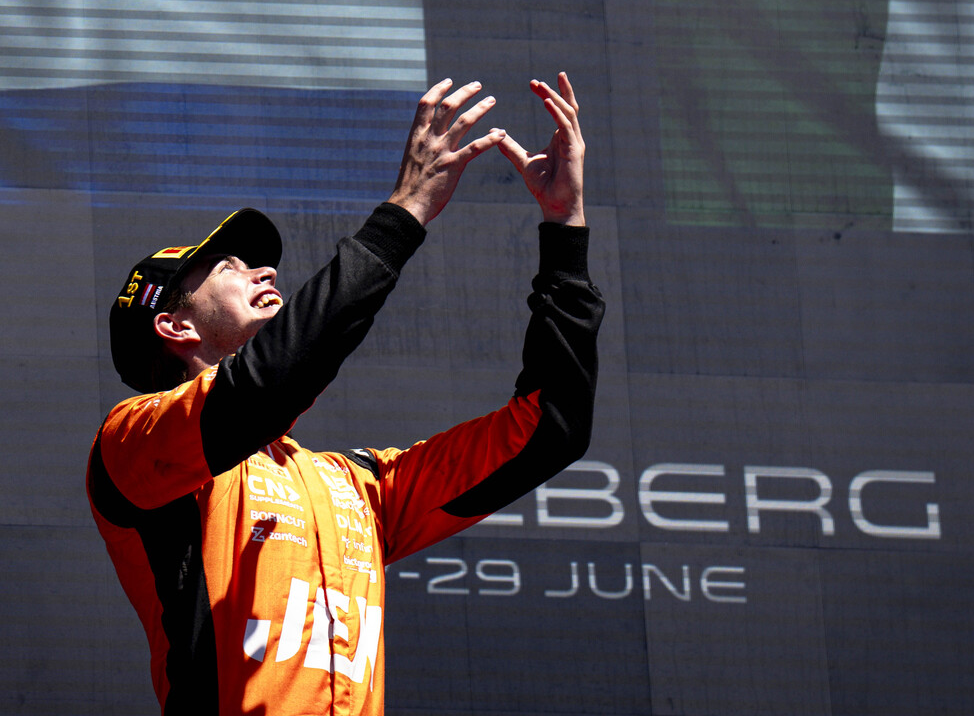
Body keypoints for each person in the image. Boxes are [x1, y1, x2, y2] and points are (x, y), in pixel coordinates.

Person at [87, 74, 603, 715]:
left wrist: (565, 230)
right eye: (228, 267)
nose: (264, 270)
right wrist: (405, 212)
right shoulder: (131, 443)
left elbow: (549, 428)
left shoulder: (358, 488)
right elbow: (264, 389)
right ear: (175, 326)